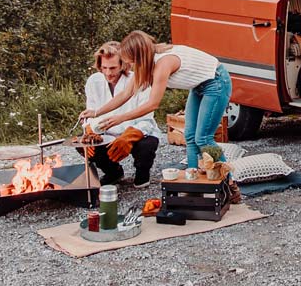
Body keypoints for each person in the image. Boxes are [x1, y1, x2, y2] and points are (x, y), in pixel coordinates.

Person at [81, 31, 231, 170]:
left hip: (216, 82)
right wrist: (96, 112)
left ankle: (228, 182)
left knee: (203, 139)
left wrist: (121, 118)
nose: (131, 66)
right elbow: (126, 93)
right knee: (190, 137)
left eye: (132, 62)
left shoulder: (163, 63)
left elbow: (153, 104)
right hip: (198, 86)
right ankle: (192, 180)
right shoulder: (146, 61)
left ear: (139, 56)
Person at [81, 41, 160, 186]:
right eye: (104, 68)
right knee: (83, 144)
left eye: (113, 68)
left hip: (134, 130)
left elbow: (146, 120)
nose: (108, 73)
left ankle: (142, 172)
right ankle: (113, 172)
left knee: (147, 144)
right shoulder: (93, 81)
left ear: (123, 65)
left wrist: (128, 137)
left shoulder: (139, 80)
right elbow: (91, 114)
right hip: (107, 133)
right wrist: (90, 130)